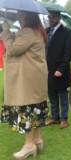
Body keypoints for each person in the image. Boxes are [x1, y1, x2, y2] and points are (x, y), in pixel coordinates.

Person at [1, 11, 49, 159]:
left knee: (28, 110)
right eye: (19, 15)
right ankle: (37, 140)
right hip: (35, 78)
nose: (19, 18)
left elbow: (13, 50)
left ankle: (29, 146)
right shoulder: (37, 30)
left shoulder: (28, 32)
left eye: (22, 15)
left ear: (30, 17)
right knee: (37, 109)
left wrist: (6, 32)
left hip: (27, 80)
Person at [45, 10, 71, 129]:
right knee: (51, 94)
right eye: (49, 17)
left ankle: (64, 118)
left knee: (62, 95)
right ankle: (55, 117)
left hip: (60, 69)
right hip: (47, 69)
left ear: (59, 17)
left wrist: (61, 69)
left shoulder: (67, 33)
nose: (50, 19)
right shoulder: (46, 31)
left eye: (53, 17)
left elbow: (68, 53)